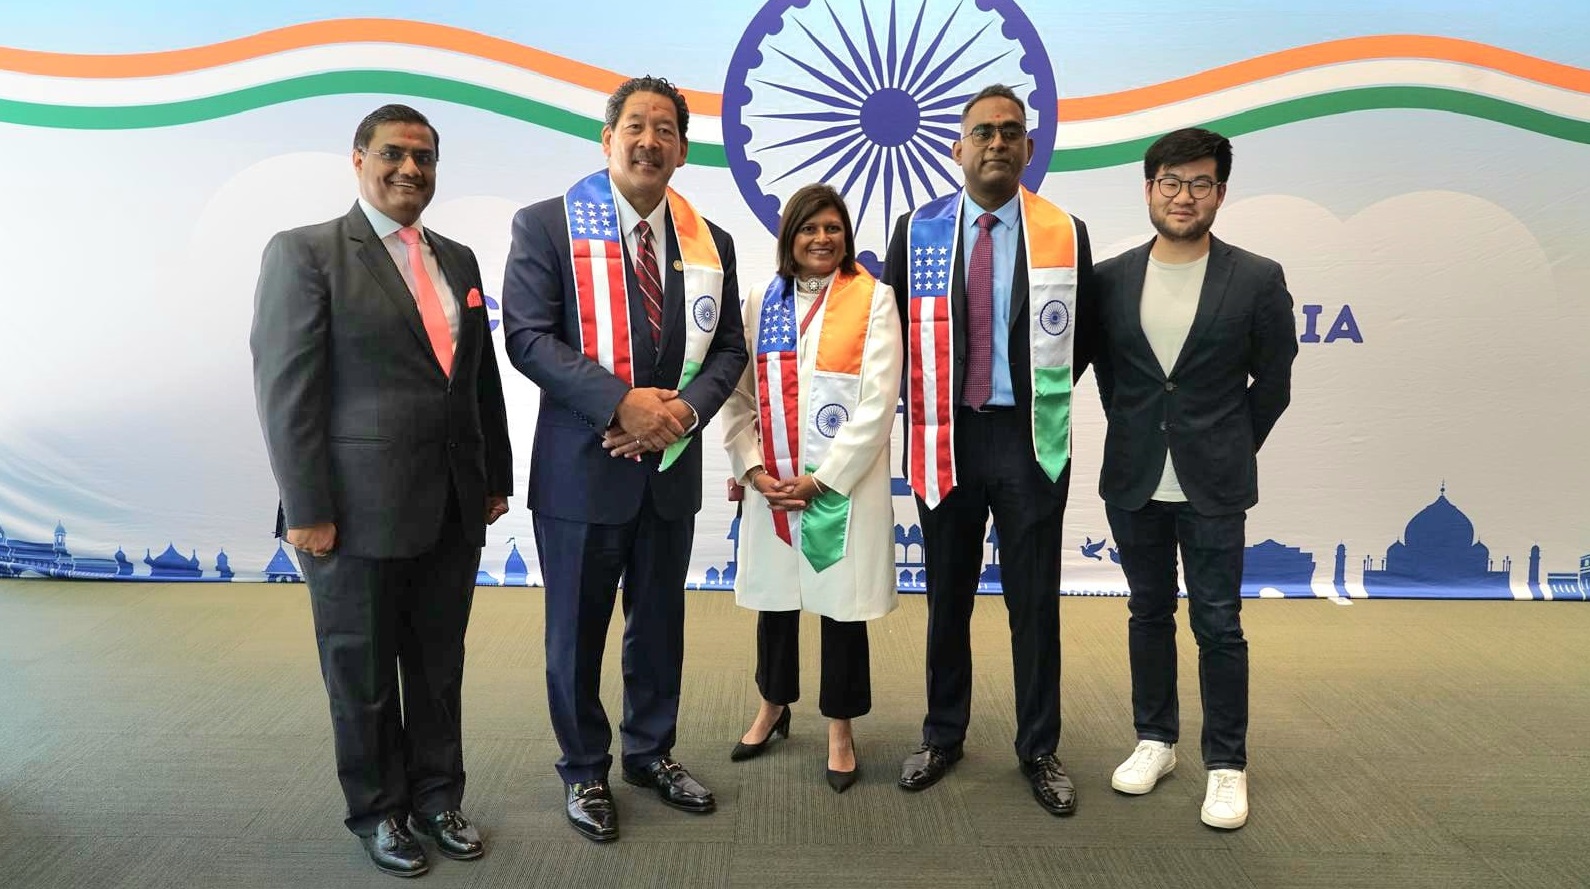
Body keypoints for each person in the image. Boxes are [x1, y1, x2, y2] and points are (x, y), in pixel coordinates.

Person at [250, 103, 513, 877]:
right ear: (358, 160)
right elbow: (286, 391)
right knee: (362, 675)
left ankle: (437, 798)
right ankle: (379, 811)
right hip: (352, 516)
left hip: (450, 507)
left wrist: (494, 475)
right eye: (394, 154)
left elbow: (479, 380)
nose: (411, 170)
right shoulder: (306, 253)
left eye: (425, 158)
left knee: (437, 668)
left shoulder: (458, 258)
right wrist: (306, 510)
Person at [500, 76, 747, 843]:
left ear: (682, 146)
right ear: (607, 138)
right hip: (582, 473)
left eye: (666, 129)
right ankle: (583, 768)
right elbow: (527, 336)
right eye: (636, 126)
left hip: (669, 472)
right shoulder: (545, 225)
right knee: (576, 633)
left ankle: (651, 751)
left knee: (659, 625)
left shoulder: (712, 241)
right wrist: (622, 403)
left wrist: (681, 411)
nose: (650, 141)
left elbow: (730, 348)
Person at [881, 84, 1096, 816]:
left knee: (1033, 603)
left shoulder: (1064, 232)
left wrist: (1038, 395)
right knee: (947, 595)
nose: (997, 142)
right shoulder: (917, 231)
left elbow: (1082, 339)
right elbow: (890, 338)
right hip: (946, 435)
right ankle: (944, 733)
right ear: (957, 148)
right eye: (982, 131)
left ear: (1029, 148)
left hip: (1029, 439)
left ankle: (1039, 746)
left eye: (1011, 131)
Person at [1093, 127, 1297, 830]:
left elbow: (1273, 382)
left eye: (1200, 183)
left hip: (1214, 483)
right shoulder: (1111, 276)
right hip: (1134, 481)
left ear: (1220, 193)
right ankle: (1156, 739)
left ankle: (1226, 763)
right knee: (1147, 614)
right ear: (1149, 189)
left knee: (1219, 624)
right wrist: (1143, 433)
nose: (1185, 196)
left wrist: (1228, 444)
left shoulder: (1257, 277)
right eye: (1171, 183)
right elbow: (1114, 380)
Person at [721, 184, 902, 793]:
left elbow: (879, 404)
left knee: (840, 608)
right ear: (789, 237)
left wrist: (823, 479)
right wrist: (751, 468)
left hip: (838, 488)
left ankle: (840, 726)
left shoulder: (875, 300)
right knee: (775, 603)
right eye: (809, 228)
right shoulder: (759, 300)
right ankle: (772, 706)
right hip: (771, 483)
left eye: (833, 228)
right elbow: (738, 393)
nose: (822, 238)